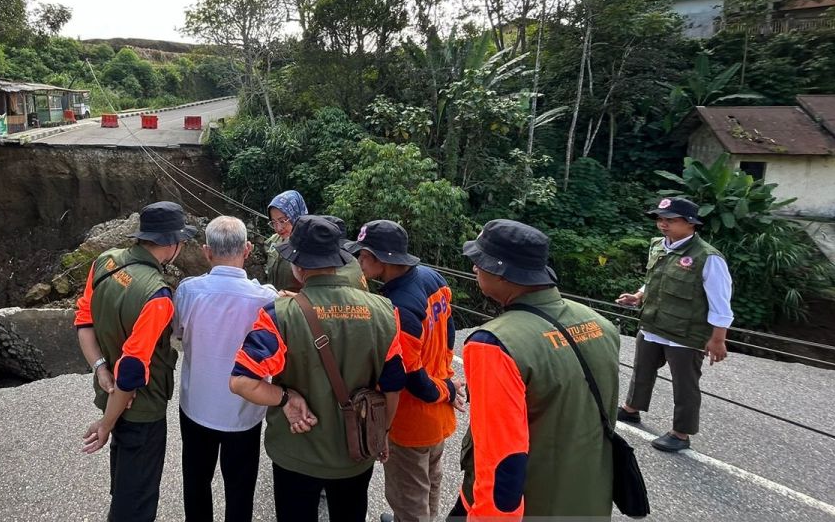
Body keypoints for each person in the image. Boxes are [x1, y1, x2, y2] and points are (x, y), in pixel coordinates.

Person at [230, 215, 406, 522]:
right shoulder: (386, 313)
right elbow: (392, 388)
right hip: (356, 451)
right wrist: (384, 432)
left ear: (297, 267)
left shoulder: (279, 315)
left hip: (296, 453)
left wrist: (286, 398)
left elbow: (242, 382)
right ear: (339, 263)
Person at [455, 219, 620, 520]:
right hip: (589, 499)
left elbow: (502, 455)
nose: (474, 269)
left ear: (501, 272)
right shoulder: (600, 325)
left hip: (529, 505)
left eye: (479, 261)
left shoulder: (493, 344)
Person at [74, 200, 196, 522]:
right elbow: (130, 372)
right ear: (171, 244)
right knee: (137, 501)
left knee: (125, 483)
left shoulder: (105, 262)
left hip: (110, 396)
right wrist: (105, 425)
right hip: (141, 409)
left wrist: (100, 368)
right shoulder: (157, 296)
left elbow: (83, 321)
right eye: (181, 242)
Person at [348, 220, 464, 522]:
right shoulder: (432, 278)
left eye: (363, 255)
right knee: (430, 482)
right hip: (436, 416)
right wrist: (446, 377)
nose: (359, 262)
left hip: (411, 421)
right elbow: (449, 330)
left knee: (409, 495)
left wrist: (445, 390)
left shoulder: (399, 308)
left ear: (379, 258)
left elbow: (411, 380)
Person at [173, 216, 278, 522]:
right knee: (240, 487)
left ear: (206, 251)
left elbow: (179, 334)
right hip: (244, 411)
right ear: (247, 249)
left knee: (196, 480)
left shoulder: (188, 291)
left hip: (196, 405)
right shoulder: (266, 298)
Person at [616, 197, 732, 452]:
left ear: (691, 224)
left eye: (670, 220)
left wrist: (718, 339)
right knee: (642, 369)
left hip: (685, 332)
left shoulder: (707, 257)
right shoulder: (658, 246)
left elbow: (721, 302)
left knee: (684, 384)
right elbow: (655, 278)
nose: (662, 225)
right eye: (660, 219)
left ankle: (681, 433)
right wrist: (638, 295)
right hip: (653, 322)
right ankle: (631, 409)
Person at [265, 190, 367, 291]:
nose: (279, 228)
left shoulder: (314, 244)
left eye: (283, 221)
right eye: (273, 222)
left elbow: (327, 290)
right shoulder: (273, 241)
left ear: (295, 214)